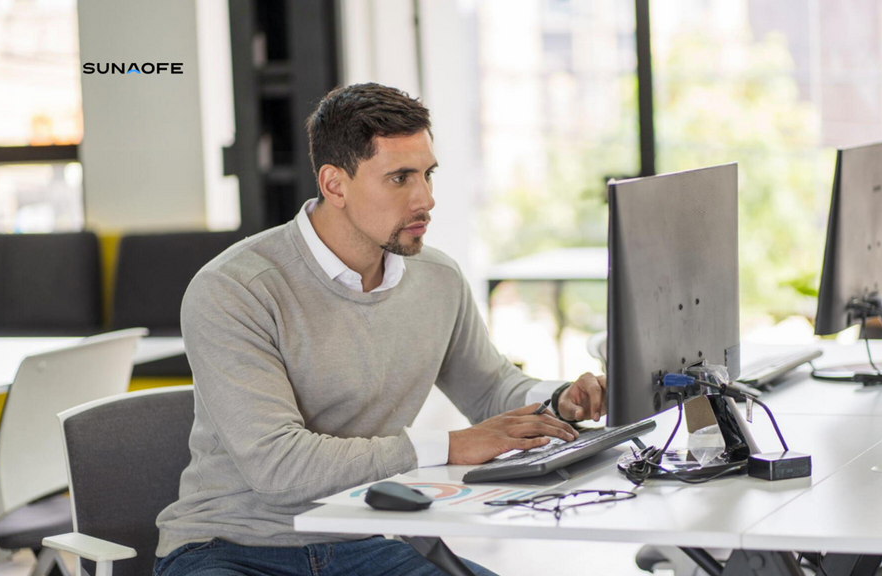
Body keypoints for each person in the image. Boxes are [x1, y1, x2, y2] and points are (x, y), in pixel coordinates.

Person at [153, 82, 609, 576]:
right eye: (400, 178)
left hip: (361, 539)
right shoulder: (235, 288)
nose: (426, 199)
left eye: (428, 175)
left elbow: (493, 387)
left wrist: (561, 399)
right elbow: (277, 466)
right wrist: (450, 446)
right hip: (230, 547)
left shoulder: (437, 278)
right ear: (334, 184)